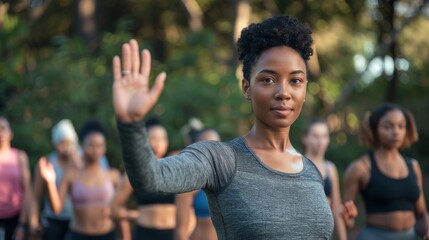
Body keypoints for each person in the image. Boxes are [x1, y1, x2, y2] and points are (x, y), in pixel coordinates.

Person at [112, 15, 334, 239]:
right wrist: (131, 124)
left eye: (295, 81)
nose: (283, 93)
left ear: (305, 90)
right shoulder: (220, 160)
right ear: (246, 88)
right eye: (268, 79)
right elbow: (151, 177)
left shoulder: (311, 171)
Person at [342, 103, 429, 240]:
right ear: (375, 130)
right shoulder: (360, 168)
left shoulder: (413, 166)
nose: (396, 132)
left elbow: (421, 215)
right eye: (388, 126)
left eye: (401, 126)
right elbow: (344, 218)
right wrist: (348, 219)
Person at [38, 120, 122, 240]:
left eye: (99, 145)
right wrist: (50, 182)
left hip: (107, 234)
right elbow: (56, 209)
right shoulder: (71, 176)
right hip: (78, 235)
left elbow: (119, 211)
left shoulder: (113, 175)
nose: (95, 150)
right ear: (82, 146)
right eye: (91, 145)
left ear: (104, 148)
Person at [111, 117, 176, 240]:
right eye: (153, 138)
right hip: (145, 234)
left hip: (172, 234)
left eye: (162, 138)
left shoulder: (173, 169)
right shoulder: (135, 171)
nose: (158, 143)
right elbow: (114, 208)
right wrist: (134, 215)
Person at [30, 119, 81, 240]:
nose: (65, 146)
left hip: (77, 220)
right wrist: (33, 223)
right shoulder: (47, 162)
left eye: (69, 142)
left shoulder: (81, 162)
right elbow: (35, 196)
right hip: (53, 220)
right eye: (61, 142)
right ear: (55, 142)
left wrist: (76, 160)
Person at [301, 118, 347, 240]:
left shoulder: (330, 168)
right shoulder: (297, 165)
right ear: (305, 138)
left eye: (324, 136)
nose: (320, 141)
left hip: (325, 234)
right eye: (315, 136)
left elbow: (336, 209)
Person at [175, 128, 220, 240]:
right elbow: (180, 232)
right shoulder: (190, 184)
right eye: (205, 146)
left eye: (216, 144)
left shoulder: (231, 179)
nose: (211, 150)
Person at [0, 116, 32, 240]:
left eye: (3, 128)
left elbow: (27, 190)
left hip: (15, 217)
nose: (0, 133)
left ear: (11, 133)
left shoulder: (20, 157)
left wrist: (22, 224)